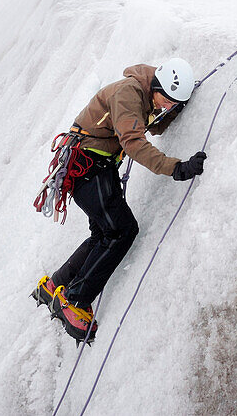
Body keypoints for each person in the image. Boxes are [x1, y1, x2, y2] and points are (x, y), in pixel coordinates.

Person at [31, 60, 208, 343]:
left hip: (91, 165)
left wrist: (178, 107)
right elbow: (134, 142)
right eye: (166, 100)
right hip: (90, 165)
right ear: (157, 86)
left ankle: (55, 285)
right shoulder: (129, 93)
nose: (165, 106)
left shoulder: (143, 93)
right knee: (122, 231)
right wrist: (177, 168)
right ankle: (74, 300)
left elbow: (153, 125)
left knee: (103, 233)